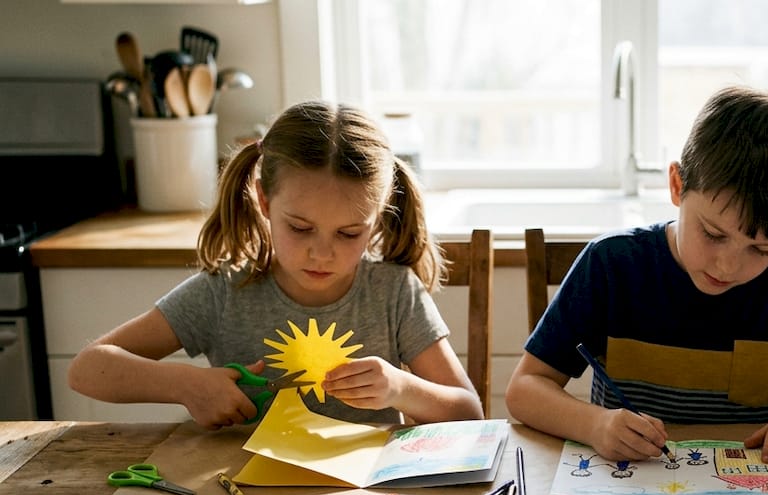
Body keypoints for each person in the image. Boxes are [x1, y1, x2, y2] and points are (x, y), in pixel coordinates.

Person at [505, 85, 768, 467]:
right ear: (677, 185)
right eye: (713, 234)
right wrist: (594, 425)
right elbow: (524, 389)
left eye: (761, 249)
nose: (727, 266)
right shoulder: (611, 265)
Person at [68, 101, 483, 428]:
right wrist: (186, 385)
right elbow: (88, 369)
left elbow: (469, 413)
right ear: (265, 200)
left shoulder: (393, 292)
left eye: (348, 234)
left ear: (377, 217)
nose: (321, 254)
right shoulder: (223, 292)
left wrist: (401, 389)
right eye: (300, 228)